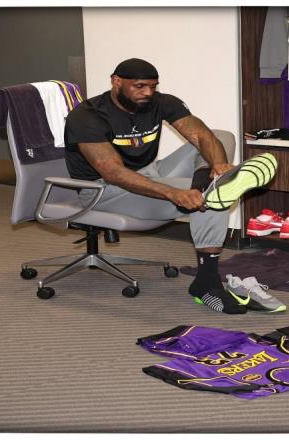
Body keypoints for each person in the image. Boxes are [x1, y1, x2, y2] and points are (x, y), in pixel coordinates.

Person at [64, 58, 272, 315]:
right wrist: (173, 193)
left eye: (153, 86)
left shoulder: (161, 102)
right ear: (116, 81)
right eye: (139, 86)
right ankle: (207, 283)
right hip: (104, 190)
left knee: (220, 137)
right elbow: (113, 172)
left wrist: (218, 163)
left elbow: (201, 135)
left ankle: (207, 182)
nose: (148, 93)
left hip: (149, 172)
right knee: (211, 201)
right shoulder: (87, 116)